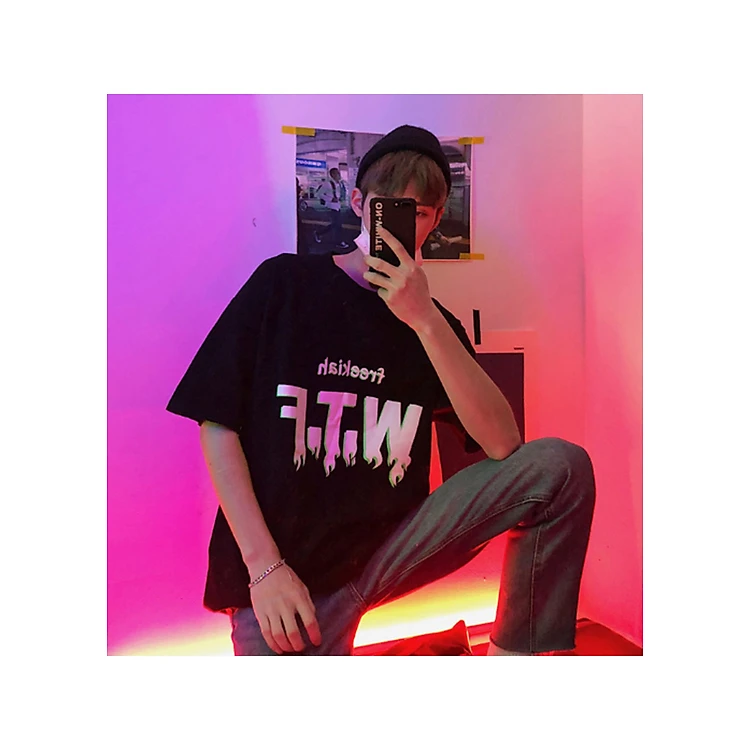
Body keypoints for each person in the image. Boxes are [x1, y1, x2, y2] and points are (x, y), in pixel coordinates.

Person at [166, 124, 596, 656]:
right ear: (357, 204)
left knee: (560, 466)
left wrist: (425, 321)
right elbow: (216, 423)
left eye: (419, 213)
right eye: (387, 207)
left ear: (436, 220)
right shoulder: (284, 285)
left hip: (386, 553)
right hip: (282, 571)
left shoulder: (432, 325)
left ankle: (513, 658)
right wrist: (264, 568)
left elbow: (505, 444)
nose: (401, 224)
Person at [313, 167, 348, 249]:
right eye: (337, 173)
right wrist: (330, 199)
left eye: (339, 173)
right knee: (337, 225)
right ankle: (339, 242)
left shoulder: (340, 184)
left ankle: (319, 233)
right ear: (332, 174)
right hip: (331, 207)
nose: (339, 175)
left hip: (338, 206)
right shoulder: (327, 184)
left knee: (335, 225)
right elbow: (318, 194)